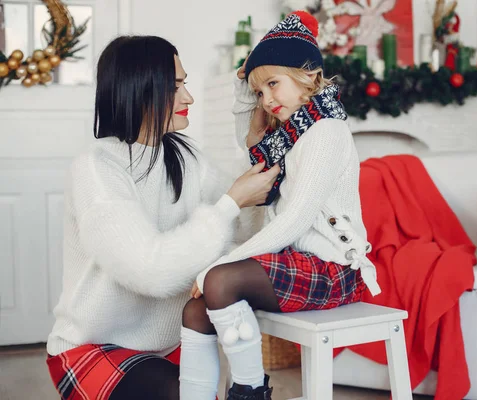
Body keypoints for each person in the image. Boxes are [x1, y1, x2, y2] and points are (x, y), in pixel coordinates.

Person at [45, 35, 279, 400]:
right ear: (139, 89)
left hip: (172, 345)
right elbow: (150, 271)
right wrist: (232, 201)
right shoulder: (96, 168)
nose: (189, 97)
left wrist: (256, 151)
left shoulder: (186, 158)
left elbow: (243, 228)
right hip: (94, 348)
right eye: (176, 87)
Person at [179, 11, 381, 400]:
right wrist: (245, 85)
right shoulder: (289, 134)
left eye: (273, 84)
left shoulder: (326, 131)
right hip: (300, 263)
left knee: (220, 280)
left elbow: (295, 221)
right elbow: (249, 144)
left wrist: (215, 266)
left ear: (306, 75)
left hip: (334, 271)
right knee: (195, 312)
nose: (266, 100)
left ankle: (250, 392)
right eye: (259, 93)